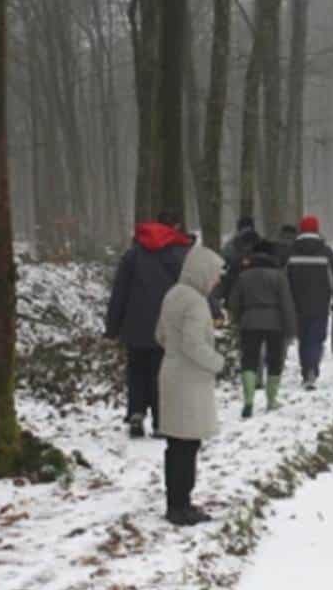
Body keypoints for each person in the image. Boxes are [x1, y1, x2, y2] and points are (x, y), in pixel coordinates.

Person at [155, 245, 226, 527]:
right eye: (215, 274)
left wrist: (174, 353)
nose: (217, 280)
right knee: (188, 445)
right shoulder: (195, 302)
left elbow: (160, 334)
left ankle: (176, 502)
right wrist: (216, 362)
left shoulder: (173, 294)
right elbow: (193, 344)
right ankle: (181, 507)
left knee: (176, 445)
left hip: (171, 373)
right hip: (189, 381)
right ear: (202, 272)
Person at [105, 210, 192, 438]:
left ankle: (136, 412)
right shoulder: (178, 256)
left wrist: (112, 327)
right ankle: (161, 422)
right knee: (161, 373)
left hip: (135, 326)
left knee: (136, 371)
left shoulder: (132, 256)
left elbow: (119, 293)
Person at [234, 240, 297, 418]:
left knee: (249, 360)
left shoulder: (243, 276)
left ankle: (248, 400)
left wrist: (240, 319)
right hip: (274, 323)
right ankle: (271, 399)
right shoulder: (278, 276)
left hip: (249, 322)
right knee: (274, 360)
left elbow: (234, 302)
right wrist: (291, 328)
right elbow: (287, 303)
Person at [287, 215, 333, 390]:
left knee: (303, 338)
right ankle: (312, 368)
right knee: (317, 337)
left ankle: (306, 370)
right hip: (320, 303)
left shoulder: (292, 252)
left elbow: (285, 279)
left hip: (296, 304)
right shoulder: (326, 252)